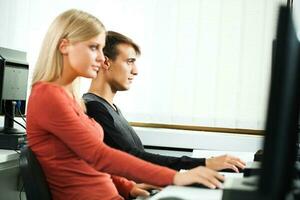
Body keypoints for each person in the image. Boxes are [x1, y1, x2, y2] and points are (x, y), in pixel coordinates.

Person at [26, 9, 224, 200]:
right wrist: (176, 177)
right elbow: (98, 155)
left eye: (101, 49)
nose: (102, 58)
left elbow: (89, 161)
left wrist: (128, 187)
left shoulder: (71, 98)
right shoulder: (47, 96)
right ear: (64, 46)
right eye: (93, 47)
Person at [83, 31, 246, 172]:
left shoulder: (110, 108)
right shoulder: (94, 107)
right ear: (105, 62)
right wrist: (204, 163)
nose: (136, 71)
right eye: (129, 61)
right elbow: (131, 158)